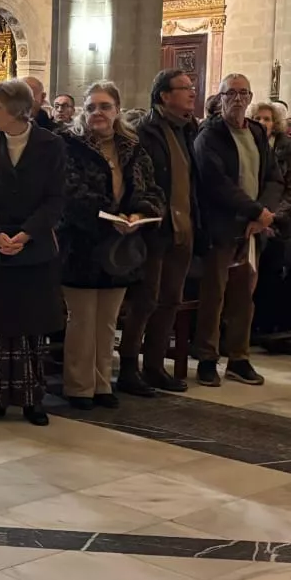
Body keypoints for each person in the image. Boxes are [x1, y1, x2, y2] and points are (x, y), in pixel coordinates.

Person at [0, 77, 65, 425]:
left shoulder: (51, 145)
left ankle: (32, 401)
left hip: (34, 246)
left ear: (18, 110)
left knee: (31, 326)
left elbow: (55, 200)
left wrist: (25, 234)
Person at [58, 81, 163, 410]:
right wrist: (107, 216)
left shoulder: (132, 147)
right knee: (82, 320)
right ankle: (79, 386)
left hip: (120, 247)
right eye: (90, 108)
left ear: (117, 110)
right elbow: (69, 194)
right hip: (82, 245)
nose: (97, 113)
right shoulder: (69, 145)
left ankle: (103, 384)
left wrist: (138, 212)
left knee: (107, 321)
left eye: (104, 107)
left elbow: (152, 190)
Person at [191, 72, 281, 387]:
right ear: (220, 97)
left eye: (244, 93)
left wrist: (264, 214)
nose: (238, 99)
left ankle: (239, 358)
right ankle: (206, 358)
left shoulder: (256, 132)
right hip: (221, 226)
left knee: (244, 296)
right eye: (231, 93)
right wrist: (255, 210)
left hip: (252, 228)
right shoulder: (209, 134)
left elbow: (273, 177)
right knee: (214, 294)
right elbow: (216, 183)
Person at [118, 68, 201, 397]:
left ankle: (154, 365)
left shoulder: (189, 129)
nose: (192, 93)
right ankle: (128, 367)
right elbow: (140, 181)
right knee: (145, 300)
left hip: (182, 226)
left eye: (192, 88)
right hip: (154, 229)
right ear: (164, 95)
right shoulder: (145, 131)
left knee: (171, 299)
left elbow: (192, 180)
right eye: (185, 88)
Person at [250, 99, 291, 336]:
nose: (263, 123)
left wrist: (274, 217)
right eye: (259, 118)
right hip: (252, 219)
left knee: (273, 275)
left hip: (280, 222)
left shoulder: (286, 147)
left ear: (276, 123)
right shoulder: (248, 144)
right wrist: (257, 216)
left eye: (267, 119)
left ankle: (268, 324)